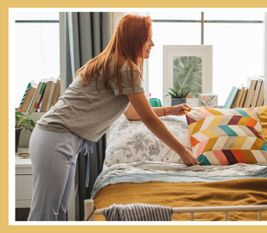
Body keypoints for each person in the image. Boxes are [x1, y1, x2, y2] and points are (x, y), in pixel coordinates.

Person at [27, 14, 198, 221]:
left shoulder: (116, 63)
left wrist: (169, 111)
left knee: (57, 213)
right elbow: (148, 119)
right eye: (149, 38)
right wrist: (182, 151)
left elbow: (133, 114)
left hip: (58, 139)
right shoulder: (124, 68)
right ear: (136, 38)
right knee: (45, 214)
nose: (153, 43)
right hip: (56, 138)